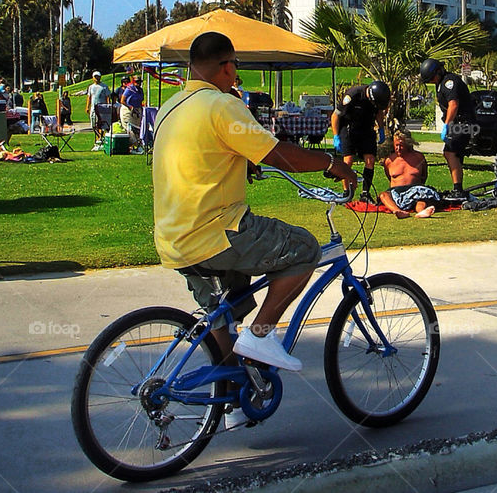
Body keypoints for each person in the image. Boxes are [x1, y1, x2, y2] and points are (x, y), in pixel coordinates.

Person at [152, 31, 357, 400]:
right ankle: (261, 335)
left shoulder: (172, 106)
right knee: (305, 249)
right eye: (236, 66)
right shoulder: (221, 106)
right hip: (216, 231)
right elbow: (277, 154)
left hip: (173, 237)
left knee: (221, 312)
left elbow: (203, 153)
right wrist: (332, 163)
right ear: (227, 66)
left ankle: (230, 397)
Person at [419, 58, 476, 197]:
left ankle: (458, 190)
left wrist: (447, 125)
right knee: (455, 153)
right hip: (457, 124)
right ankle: (458, 188)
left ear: (439, 72)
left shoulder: (449, 82)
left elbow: (453, 105)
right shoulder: (441, 84)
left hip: (464, 124)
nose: (431, 81)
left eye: (432, 78)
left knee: (449, 152)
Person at [330, 80, 391, 203]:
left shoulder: (378, 99)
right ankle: (346, 192)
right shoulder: (353, 95)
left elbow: (379, 113)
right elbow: (335, 115)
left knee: (370, 160)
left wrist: (381, 129)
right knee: (348, 160)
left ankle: (365, 193)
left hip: (366, 129)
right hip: (349, 128)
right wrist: (336, 136)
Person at [378, 131, 437, 219]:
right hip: (396, 192)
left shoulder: (419, 157)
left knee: (422, 197)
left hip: (415, 189)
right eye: (396, 145)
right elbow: (389, 177)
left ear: (408, 144)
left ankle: (421, 211)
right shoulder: (389, 160)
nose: (398, 148)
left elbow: (424, 175)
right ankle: (398, 211)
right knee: (383, 195)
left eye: (401, 145)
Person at [85, 71, 111, 149]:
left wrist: (107, 106)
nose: (96, 78)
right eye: (95, 77)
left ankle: (100, 139)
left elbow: (107, 97)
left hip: (102, 109)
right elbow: (89, 97)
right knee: (94, 125)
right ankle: (99, 138)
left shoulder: (104, 86)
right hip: (93, 108)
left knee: (101, 125)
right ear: (93, 78)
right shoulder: (91, 87)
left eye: (98, 76)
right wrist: (87, 107)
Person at [120, 76, 145, 153]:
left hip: (137, 110)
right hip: (128, 110)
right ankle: (132, 146)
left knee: (137, 128)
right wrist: (130, 107)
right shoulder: (129, 89)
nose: (138, 83)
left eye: (139, 82)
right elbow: (122, 100)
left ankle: (137, 145)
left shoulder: (140, 90)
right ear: (133, 82)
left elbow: (141, 100)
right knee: (129, 129)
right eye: (137, 82)